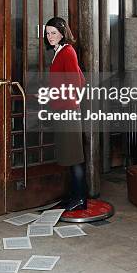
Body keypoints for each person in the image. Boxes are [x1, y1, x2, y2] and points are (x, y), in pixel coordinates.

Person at [44, 17, 87, 211]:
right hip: (63, 109)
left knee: (75, 157)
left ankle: (79, 198)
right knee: (70, 156)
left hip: (68, 111)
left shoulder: (68, 52)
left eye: (53, 33)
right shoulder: (59, 51)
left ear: (62, 33)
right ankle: (74, 196)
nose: (50, 36)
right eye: (47, 33)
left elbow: (76, 84)